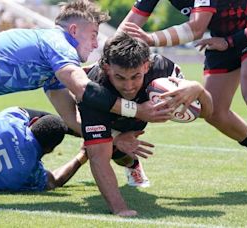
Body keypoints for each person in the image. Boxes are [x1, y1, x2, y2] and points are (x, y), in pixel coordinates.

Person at [118, 0, 247, 199]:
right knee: (213, 112)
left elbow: (196, 28)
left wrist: (150, 38)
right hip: (220, 39)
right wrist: (108, 60)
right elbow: (128, 29)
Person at [0, 0, 172, 129]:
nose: (96, 44)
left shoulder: (55, 70)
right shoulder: (58, 42)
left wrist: (116, 140)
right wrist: (136, 111)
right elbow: (86, 90)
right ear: (74, 30)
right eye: (94, 34)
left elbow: (73, 119)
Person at [77, 32, 213, 216]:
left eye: (135, 76)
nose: (129, 86)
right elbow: (98, 158)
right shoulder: (94, 89)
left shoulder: (163, 69)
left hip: (137, 117)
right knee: (109, 150)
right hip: (94, 113)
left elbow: (207, 113)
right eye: (120, 77)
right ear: (108, 69)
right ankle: (131, 164)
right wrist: (120, 209)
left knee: (129, 137)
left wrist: (199, 89)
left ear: (147, 66)